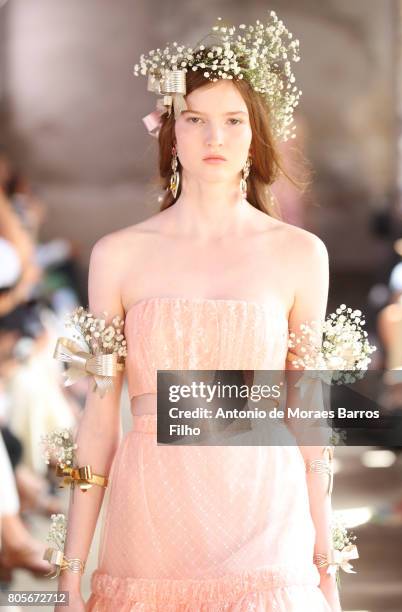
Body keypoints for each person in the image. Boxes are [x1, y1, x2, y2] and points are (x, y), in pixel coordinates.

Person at [52, 10, 341, 611]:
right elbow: (99, 423)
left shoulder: (300, 255)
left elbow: (309, 418)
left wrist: (326, 566)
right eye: (196, 120)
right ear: (171, 132)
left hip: (266, 517)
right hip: (151, 524)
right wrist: (70, 571)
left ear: (256, 134)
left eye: (234, 121)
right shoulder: (118, 255)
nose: (215, 139)